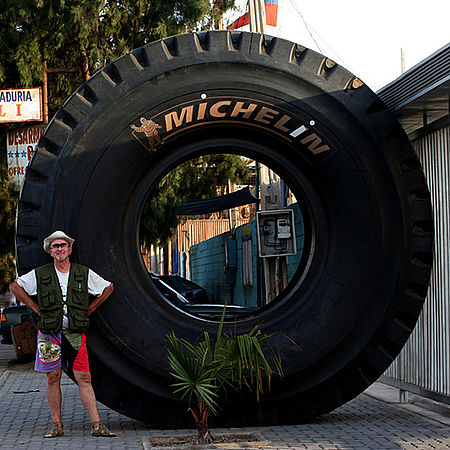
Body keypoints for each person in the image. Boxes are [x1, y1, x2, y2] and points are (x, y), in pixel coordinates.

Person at [10, 230, 116, 438]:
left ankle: (97, 425)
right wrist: (35, 307)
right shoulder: (40, 274)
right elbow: (15, 286)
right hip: (49, 334)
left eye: (62, 245)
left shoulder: (82, 273)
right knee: (52, 377)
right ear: (50, 251)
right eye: (55, 246)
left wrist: (91, 308)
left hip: (75, 333)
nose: (59, 249)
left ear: (69, 249)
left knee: (84, 376)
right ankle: (56, 425)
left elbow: (108, 288)